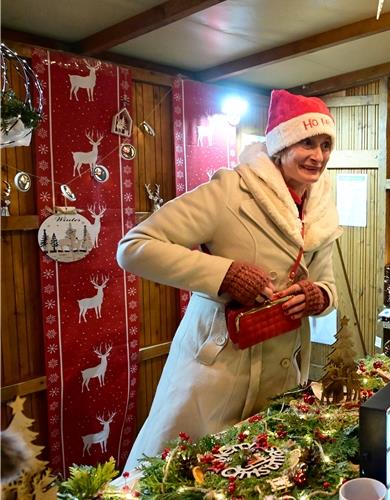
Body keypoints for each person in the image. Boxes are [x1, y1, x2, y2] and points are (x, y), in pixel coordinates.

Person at [118, 89, 342, 471]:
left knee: (262, 478)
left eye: (325, 145)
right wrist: (225, 274)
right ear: (282, 144)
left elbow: (328, 284)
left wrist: (317, 296)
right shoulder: (228, 191)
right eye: (307, 142)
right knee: (177, 479)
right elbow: (134, 247)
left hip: (283, 374)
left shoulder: (320, 205)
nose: (318, 156)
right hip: (216, 372)